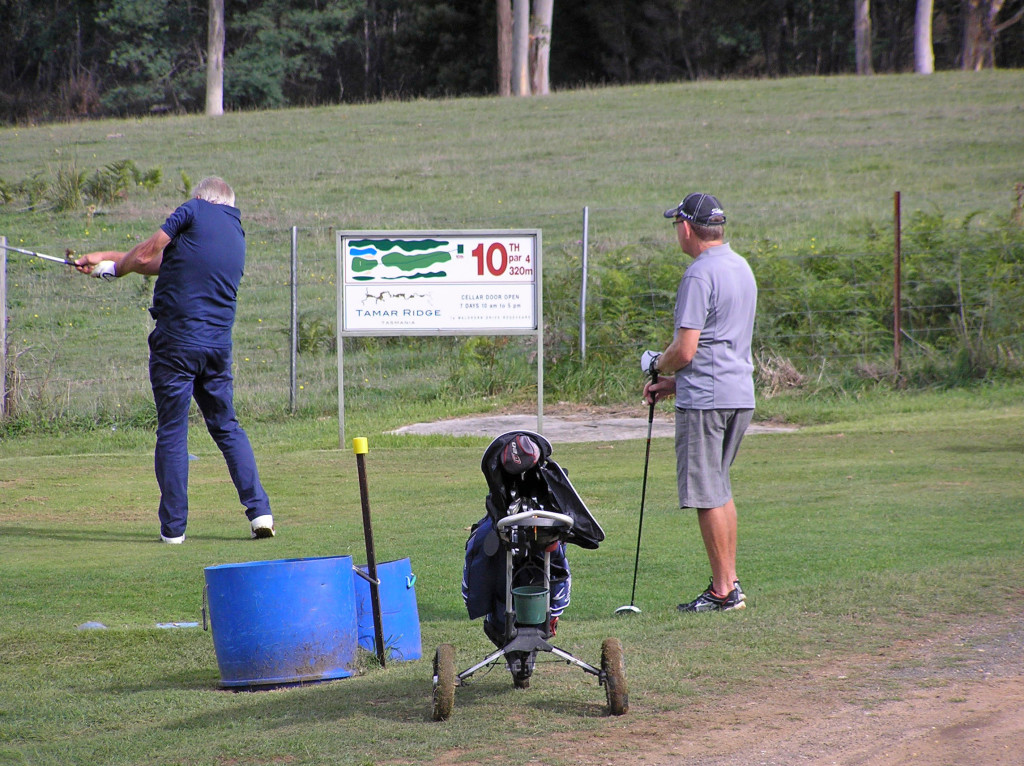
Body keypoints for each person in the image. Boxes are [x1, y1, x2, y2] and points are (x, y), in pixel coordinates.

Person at [75, 176, 275, 544]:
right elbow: (163, 263)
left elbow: (149, 253)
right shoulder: (235, 230)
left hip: (177, 345)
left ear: (201, 197)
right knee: (226, 426)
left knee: (172, 430)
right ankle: (260, 513)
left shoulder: (194, 208)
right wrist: (108, 260)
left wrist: (118, 269)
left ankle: (174, 530)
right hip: (216, 348)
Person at [642, 192, 756, 612]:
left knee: (707, 493)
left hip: (707, 401)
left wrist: (656, 363)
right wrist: (673, 385)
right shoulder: (740, 267)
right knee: (720, 488)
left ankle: (723, 591)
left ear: (687, 228)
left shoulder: (698, 274)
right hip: (737, 394)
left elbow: (686, 349)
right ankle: (730, 583)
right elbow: (719, 345)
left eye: (677, 224)